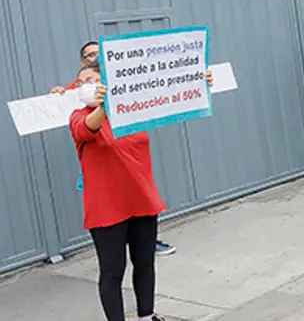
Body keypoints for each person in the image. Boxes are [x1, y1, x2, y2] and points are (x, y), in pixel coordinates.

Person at [70, 64, 212, 321]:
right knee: (113, 270)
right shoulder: (79, 115)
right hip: (107, 207)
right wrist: (102, 107)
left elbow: (170, 100)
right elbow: (86, 128)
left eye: (93, 79)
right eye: (82, 82)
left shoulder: (132, 111)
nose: (87, 85)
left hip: (141, 199)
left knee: (145, 263)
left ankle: (147, 315)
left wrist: (198, 83)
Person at [52, 42, 177, 257]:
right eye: (89, 55)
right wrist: (58, 94)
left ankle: (146, 241)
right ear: (82, 61)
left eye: (98, 54)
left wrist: (197, 82)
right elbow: (80, 119)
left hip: (128, 163)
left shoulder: (122, 84)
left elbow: (161, 86)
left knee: (136, 205)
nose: (94, 58)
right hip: (100, 158)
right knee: (107, 204)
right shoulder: (81, 89)